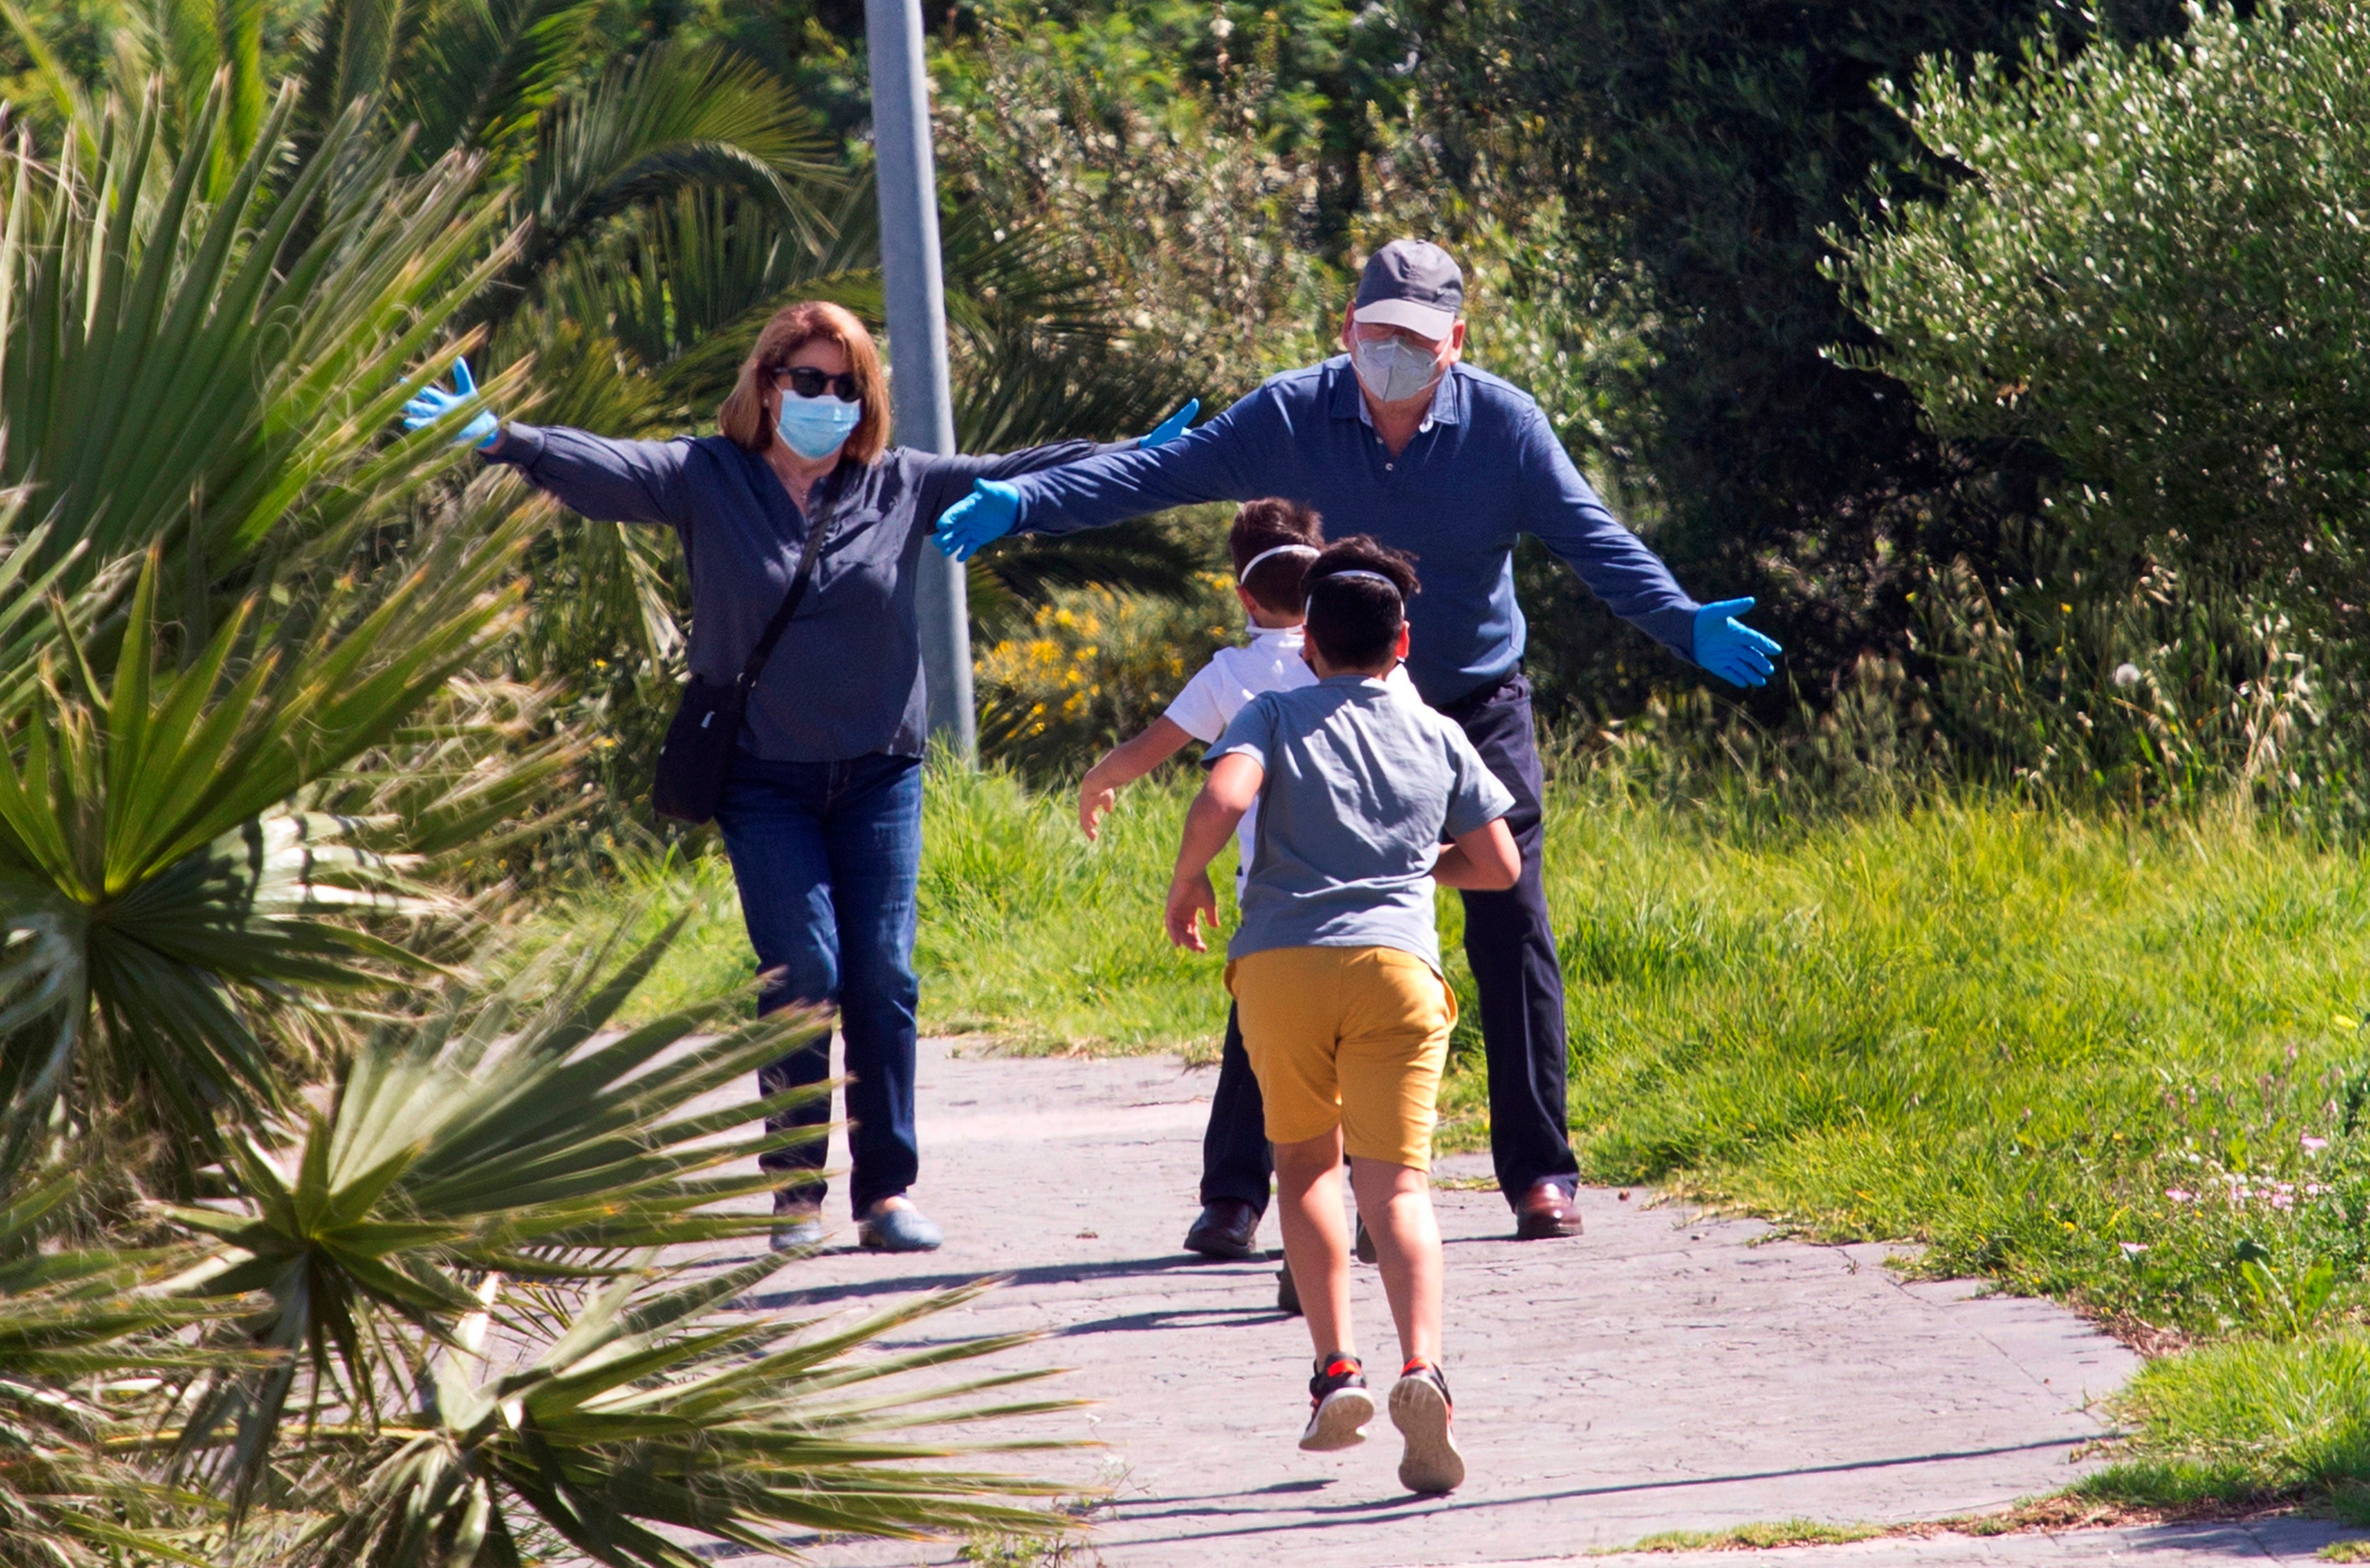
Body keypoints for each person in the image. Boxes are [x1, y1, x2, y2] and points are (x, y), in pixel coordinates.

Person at [935, 239, 1780, 1241]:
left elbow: (1592, 540)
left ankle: (1539, 1174)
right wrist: (1026, 502)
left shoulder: (1504, 428)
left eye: (1416, 340)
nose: (1392, 353)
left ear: (1454, 343)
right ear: (1347, 329)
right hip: (1331, 702)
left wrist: (1681, 620)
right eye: (1376, 332)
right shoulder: (1289, 415)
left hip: (1468, 700)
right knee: (1292, 922)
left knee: (1509, 917)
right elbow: (1157, 475)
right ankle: (1235, 1193)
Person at [402, 303, 1194, 1254]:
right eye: (807, 380)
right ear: (767, 382)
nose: (826, 399)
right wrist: (501, 437)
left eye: (845, 384)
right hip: (761, 777)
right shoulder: (709, 476)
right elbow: (605, 467)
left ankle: (886, 1193)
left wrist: (1137, 456)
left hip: (879, 772)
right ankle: (794, 1194)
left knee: (886, 976)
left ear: (865, 398)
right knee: (805, 974)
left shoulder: (899, 485)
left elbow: (1026, 471)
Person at [1166, 537, 1519, 1495]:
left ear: (1309, 641)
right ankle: (1423, 1370)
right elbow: (1498, 866)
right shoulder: (1437, 730)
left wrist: (1189, 875)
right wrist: (1414, 868)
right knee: (1398, 1188)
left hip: (1281, 967)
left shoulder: (1272, 710)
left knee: (1306, 1164)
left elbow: (1222, 793)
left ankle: (1335, 1371)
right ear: (1401, 643)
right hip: (1398, 970)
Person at [1077, 499, 1417, 1269]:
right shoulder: (1377, 662)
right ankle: (1373, 1208)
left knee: (1254, 1060)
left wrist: (1100, 780)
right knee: (1368, 1063)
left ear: (1244, 595)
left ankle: (1231, 1206)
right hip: (1382, 912)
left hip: (1277, 912)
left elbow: (1152, 749)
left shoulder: (1234, 673)